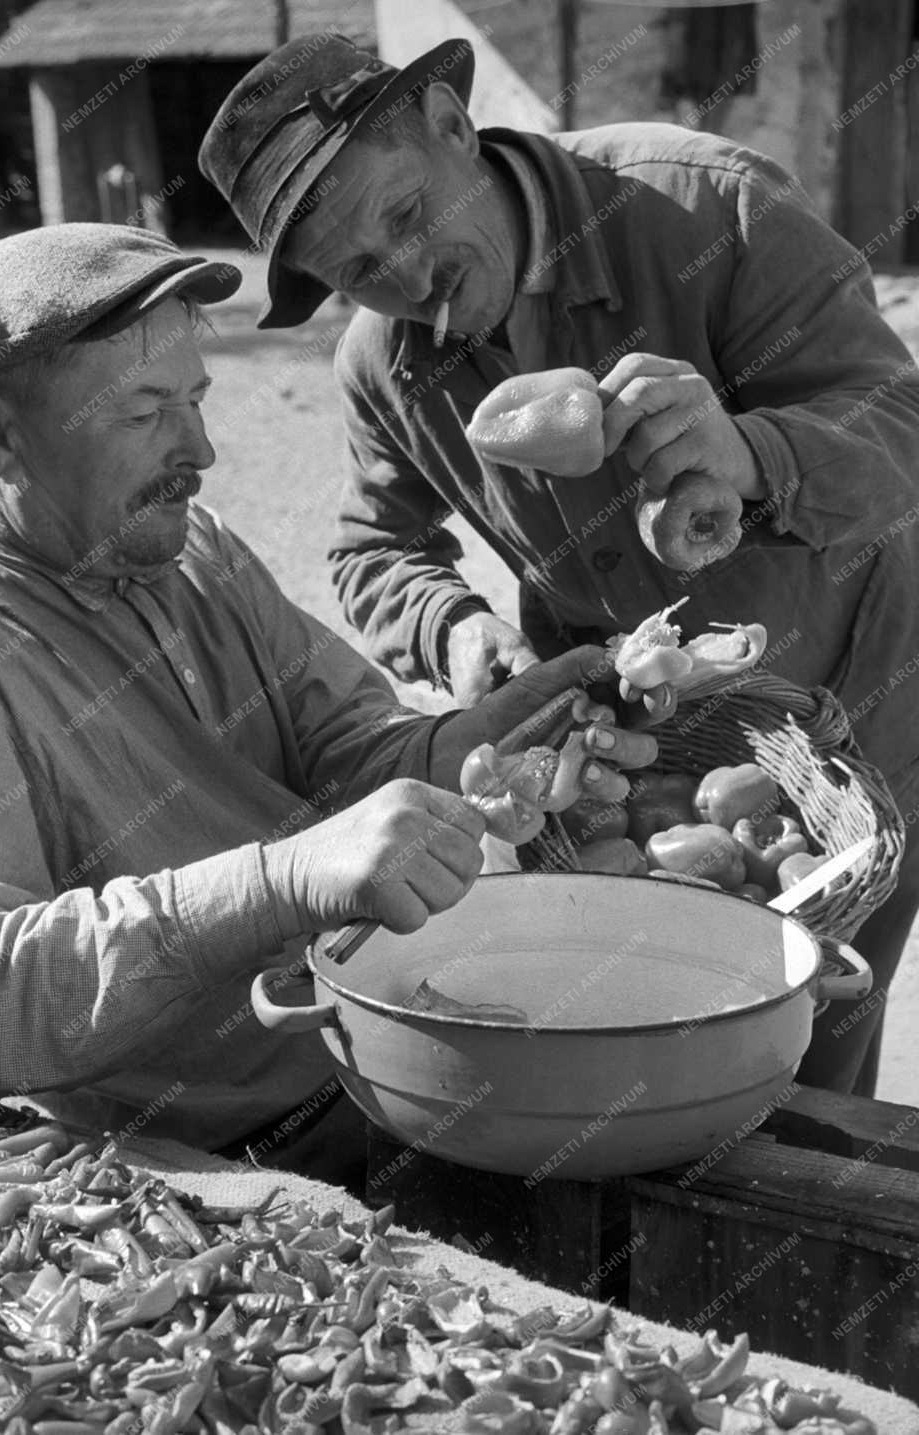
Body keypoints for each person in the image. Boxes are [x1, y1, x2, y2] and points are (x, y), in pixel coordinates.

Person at [199, 33, 919, 1099]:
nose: (405, 276)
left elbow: (899, 425)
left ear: (452, 126)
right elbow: (371, 544)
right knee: (605, 1039)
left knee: (795, 1056)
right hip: (619, 760)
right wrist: (457, 631)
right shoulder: (379, 364)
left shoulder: (700, 208)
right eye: (357, 269)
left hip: (858, 706)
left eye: (403, 216)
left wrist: (753, 454)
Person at [0, 223, 661, 1189]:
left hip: (376, 1065)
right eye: (142, 415)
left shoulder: (190, 550)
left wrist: (494, 735)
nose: (201, 449)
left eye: (196, 400)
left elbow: (347, 742)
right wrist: (277, 880)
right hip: (204, 1165)